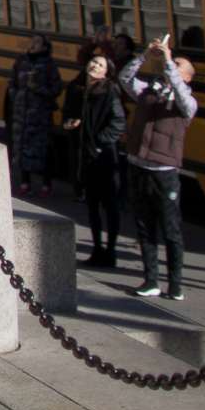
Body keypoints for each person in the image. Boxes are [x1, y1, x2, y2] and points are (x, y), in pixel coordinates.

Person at [120, 37, 195, 300]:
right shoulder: (148, 91)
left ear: (186, 76)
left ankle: (175, 284)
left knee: (171, 229)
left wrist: (168, 63)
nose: (170, 65)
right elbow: (125, 79)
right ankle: (151, 279)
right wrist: (144, 56)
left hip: (165, 172)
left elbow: (181, 93)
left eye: (178, 65)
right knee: (144, 226)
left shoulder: (187, 102)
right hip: (138, 164)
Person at [62, 51, 124, 269]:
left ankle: (111, 250)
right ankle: (97, 249)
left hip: (103, 155)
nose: (95, 66)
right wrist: (69, 124)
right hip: (83, 154)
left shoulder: (109, 91)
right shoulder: (76, 87)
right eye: (94, 62)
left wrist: (99, 143)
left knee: (110, 205)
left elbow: (118, 122)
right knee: (92, 205)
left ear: (107, 72)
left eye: (100, 64)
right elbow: (67, 113)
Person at [7, 35, 61, 198]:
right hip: (21, 114)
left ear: (45, 47)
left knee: (42, 149)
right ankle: (25, 182)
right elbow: (12, 82)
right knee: (21, 148)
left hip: (40, 115)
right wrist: (15, 96)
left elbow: (56, 88)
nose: (33, 44)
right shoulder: (21, 61)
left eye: (38, 42)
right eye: (33, 41)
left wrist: (38, 89)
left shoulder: (49, 65)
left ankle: (46, 183)